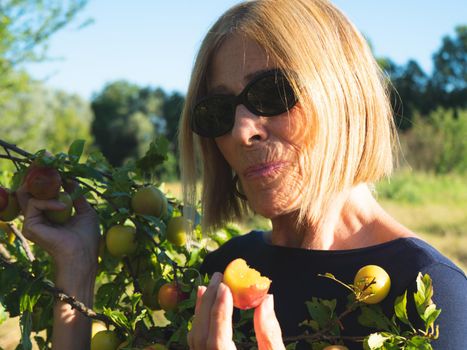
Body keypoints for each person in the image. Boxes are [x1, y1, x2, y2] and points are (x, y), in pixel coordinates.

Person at [17, 0, 467, 349]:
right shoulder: (225, 272)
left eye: (272, 92)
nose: (240, 130)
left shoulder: (429, 291)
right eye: (217, 111)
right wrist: (76, 269)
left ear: (342, 93)